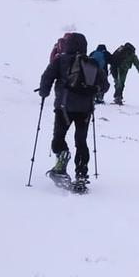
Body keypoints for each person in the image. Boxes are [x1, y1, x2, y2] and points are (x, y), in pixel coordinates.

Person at [37, 33, 109, 191]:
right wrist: (93, 90)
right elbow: (105, 86)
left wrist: (44, 92)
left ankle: (62, 157)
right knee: (81, 142)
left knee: (58, 138)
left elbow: (46, 77)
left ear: (68, 44)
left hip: (64, 108)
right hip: (85, 110)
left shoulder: (60, 60)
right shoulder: (91, 63)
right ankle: (82, 176)